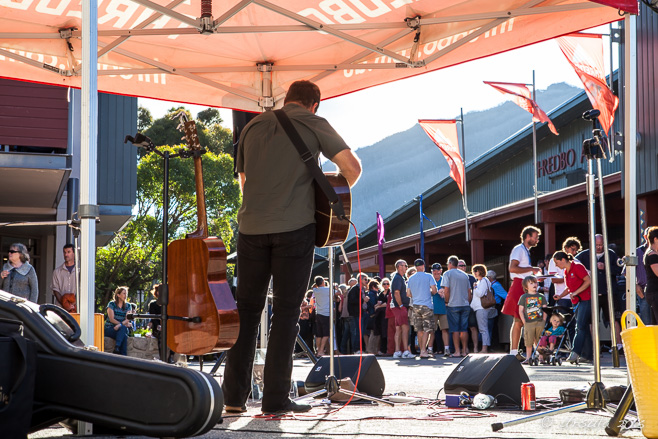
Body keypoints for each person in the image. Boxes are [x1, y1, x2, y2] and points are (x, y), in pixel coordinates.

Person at [222, 80, 362, 415]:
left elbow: (244, 182)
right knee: (286, 314)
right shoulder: (314, 122)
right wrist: (327, 198)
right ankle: (274, 399)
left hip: (250, 229)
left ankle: (233, 400)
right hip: (294, 228)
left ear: (286, 99)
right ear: (315, 104)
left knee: (247, 312)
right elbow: (352, 169)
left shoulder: (253, 126)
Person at [576, 234, 623, 355]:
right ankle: (594, 346)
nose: (599, 247)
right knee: (592, 321)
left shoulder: (610, 254)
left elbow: (620, 269)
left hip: (609, 293)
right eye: (596, 245)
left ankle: (618, 345)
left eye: (601, 245)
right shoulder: (584, 255)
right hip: (591, 294)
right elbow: (574, 266)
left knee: (614, 319)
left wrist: (606, 267)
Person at [502, 225, 542, 361]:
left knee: (522, 320)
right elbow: (512, 268)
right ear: (527, 237)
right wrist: (532, 269)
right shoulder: (519, 249)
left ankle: (520, 352)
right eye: (535, 237)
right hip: (519, 285)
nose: (537, 240)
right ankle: (528, 352)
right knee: (521, 320)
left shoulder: (525, 250)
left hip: (523, 285)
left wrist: (532, 274)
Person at [552, 251, 593, 364]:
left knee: (579, 326)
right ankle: (588, 355)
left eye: (557, 262)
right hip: (576, 301)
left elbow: (588, 281)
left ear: (563, 260)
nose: (556, 265)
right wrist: (560, 296)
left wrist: (576, 292)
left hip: (585, 299)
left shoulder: (578, 267)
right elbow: (569, 288)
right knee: (583, 326)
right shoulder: (566, 271)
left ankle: (575, 352)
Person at [440, 256, 472, 358]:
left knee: (455, 329)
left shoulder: (447, 274)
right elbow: (469, 292)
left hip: (453, 304)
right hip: (465, 304)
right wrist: (467, 301)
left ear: (450, 263)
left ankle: (457, 351)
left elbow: (446, 290)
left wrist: (447, 301)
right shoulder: (464, 275)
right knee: (464, 329)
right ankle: (464, 350)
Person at [406, 259, 438, 358]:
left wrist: (416, 295)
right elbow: (434, 291)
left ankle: (421, 351)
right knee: (427, 329)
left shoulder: (411, 278)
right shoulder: (429, 276)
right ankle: (424, 350)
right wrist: (428, 291)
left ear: (415, 267)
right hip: (427, 305)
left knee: (419, 330)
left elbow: (408, 294)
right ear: (423, 266)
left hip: (415, 305)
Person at [517, 275, 548, 364]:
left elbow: (545, 309)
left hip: (539, 322)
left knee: (540, 341)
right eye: (531, 283)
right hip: (528, 322)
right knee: (528, 340)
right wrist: (524, 321)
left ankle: (541, 358)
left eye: (535, 282)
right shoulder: (524, 297)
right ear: (526, 287)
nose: (534, 284)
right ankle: (528, 358)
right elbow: (520, 310)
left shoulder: (541, 296)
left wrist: (544, 320)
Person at [471, 264, 496, 354]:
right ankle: (484, 348)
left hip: (481, 308)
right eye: (474, 271)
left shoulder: (483, 281)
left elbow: (480, 294)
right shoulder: (481, 281)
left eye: (476, 270)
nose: (475, 273)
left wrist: (475, 287)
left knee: (483, 329)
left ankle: (484, 349)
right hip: (479, 308)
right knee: (483, 328)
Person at [390, 260, 413, 359]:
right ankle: (406, 351)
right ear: (399, 267)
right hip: (400, 307)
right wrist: (401, 306)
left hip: (398, 307)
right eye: (405, 265)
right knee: (405, 328)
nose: (406, 267)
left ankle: (397, 351)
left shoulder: (399, 277)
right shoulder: (398, 278)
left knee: (399, 329)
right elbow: (396, 293)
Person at [105, 286, 133, 356]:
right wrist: (121, 324)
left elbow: (128, 318)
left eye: (126, 293)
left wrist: (120, 325)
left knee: (123, 332)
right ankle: (123, 357)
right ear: (118, 295)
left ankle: (117, 347)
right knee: (124, 332)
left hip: (121, 329)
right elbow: (111, 319)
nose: (125, 295)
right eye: (124, 293)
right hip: (110, 328)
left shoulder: (128, 305)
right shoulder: (111, 304)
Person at [458, 259, 479, 354]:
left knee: (473, 327)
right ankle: (463, 349)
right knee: (460, 328)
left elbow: (475, 292)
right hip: (458, 306)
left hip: (470, 306)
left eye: (463, 265)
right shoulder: (455, 277)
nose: (462, 267)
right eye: (460, 265)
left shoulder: (471, 278)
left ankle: (475, 348)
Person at [430, 263, 449, 356]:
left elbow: (450, 293)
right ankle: (429, 349)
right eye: (434, 270)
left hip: (443, 308)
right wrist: (433, 291)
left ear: (441, 271)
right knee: (431, 330)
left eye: (438, 270)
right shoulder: (430, 279)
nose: (436, 272)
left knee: (445, 329)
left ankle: (446, 349)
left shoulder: (444, 280)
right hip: (432, 309)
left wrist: (444, 294)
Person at [347, 273, 369, 354]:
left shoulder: (363, 289)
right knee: (358, 331)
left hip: (364, 312)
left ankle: (360, 349)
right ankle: (356, 349)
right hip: (357, 313)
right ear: (360, 279)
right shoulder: (355, 289)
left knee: (362, 332)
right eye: (365, 279)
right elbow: (352, 301)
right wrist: (363, 300)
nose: (367, 281)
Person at [52, 243, 77, 312]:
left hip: (75, 309)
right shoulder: (57, 271)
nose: (66, 255)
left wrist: (73, 304)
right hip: (60, 309)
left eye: (68, 252)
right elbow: (55, 290)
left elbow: (82, 290)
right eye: (64, 252)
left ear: (74, 253)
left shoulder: (79, 272)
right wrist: (65, 304)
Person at [487, 270, 507, 351]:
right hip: (493, 307)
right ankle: (493, 345)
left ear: (490, 278)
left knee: (493, 327)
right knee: (492, 327)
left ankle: (495, 346)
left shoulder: (495, 285)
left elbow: (506, 296)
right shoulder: (494, 285)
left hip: (495, 307)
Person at [312, 276, 331, 357]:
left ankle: (318, 350)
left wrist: (320, 281)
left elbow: (314, 286)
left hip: (318, 313)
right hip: (326, 313)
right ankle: (321, 350)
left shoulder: (315, 290)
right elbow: (337, 292)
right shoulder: (327, 290)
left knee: (319, 334)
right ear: (323, 282)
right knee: (326, 333)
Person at [643, 226, 658, 324]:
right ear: (655, 239)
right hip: (655, 292)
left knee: (655, 324)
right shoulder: (652, 254)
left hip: (653, 292)